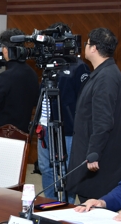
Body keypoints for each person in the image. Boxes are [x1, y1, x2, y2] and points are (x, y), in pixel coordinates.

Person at [66, 27, 121, 203]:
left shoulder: (106, 77)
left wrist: (93, 153)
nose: (85, 47)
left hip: (98, 162)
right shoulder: (103, 72)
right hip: (95, 155)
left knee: (93, 210)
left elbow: (103, 121)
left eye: (87, 43)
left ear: (93, 48)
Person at [34, 23, 90, 201]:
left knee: (66, 169)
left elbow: (84, 102)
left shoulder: (79, 67)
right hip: (44, 127)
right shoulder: (48, 64)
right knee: (46, 167)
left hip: (67, 129)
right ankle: (50, 202)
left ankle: (67, 205)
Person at [0, 28, 39, 134]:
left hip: (5, 132)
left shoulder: (6, 76)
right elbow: (35, 100)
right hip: (24, 131)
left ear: (5, 50)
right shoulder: (32, 73)